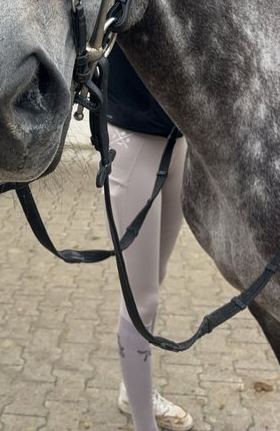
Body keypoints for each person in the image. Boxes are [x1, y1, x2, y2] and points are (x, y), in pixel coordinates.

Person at [105, 44, 194, 431]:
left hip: (176, 138)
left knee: (153, 277)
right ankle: (144, 423)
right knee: (142, 299)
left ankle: (132, 390)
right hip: (131, 139)